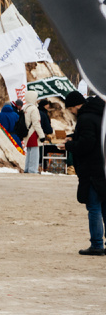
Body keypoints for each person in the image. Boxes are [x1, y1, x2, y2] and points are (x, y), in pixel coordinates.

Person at [62, 90, 105, 255]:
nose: (71, 112)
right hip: (103, 166)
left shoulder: (85, 118)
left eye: (70, 109)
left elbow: (87, 144)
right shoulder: (100, 115)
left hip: (92, 169)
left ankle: (97, 244)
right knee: (104, 207)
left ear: (75, 106)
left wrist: (69, 145)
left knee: (94, 207)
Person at [22, 89, 46, 174]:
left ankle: (27, 168)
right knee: (35, 153)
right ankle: (33, 169)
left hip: (26, 132)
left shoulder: (25, 108)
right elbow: (36, 123)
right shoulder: (34, 109)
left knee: (29, 151)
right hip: (33, 133)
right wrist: (42, 135)